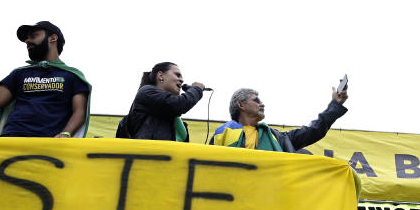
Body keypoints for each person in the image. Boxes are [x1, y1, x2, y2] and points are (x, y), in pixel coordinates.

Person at [0, 21, 90, 137]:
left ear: (52, 38)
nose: (27, 41)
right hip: (10, 141)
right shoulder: (19, 73)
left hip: (49, 146)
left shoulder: (72, 75)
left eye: (33, 36)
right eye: (27, 38)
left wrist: (65, 133)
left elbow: (79, 112)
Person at [209, 86, 347, 152]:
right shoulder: (222, 133)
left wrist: (335, 105)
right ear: (241, 105)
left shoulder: (278, 138)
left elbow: (314, 130)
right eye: (256, 100)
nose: (262, 104)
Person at [118, 63, 206, 141]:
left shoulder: (172, 115)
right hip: (149, 157)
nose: (182, 80)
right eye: (177, 75)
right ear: (160, 75)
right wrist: (197, 89)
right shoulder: (146, 92)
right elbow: (179, 104)